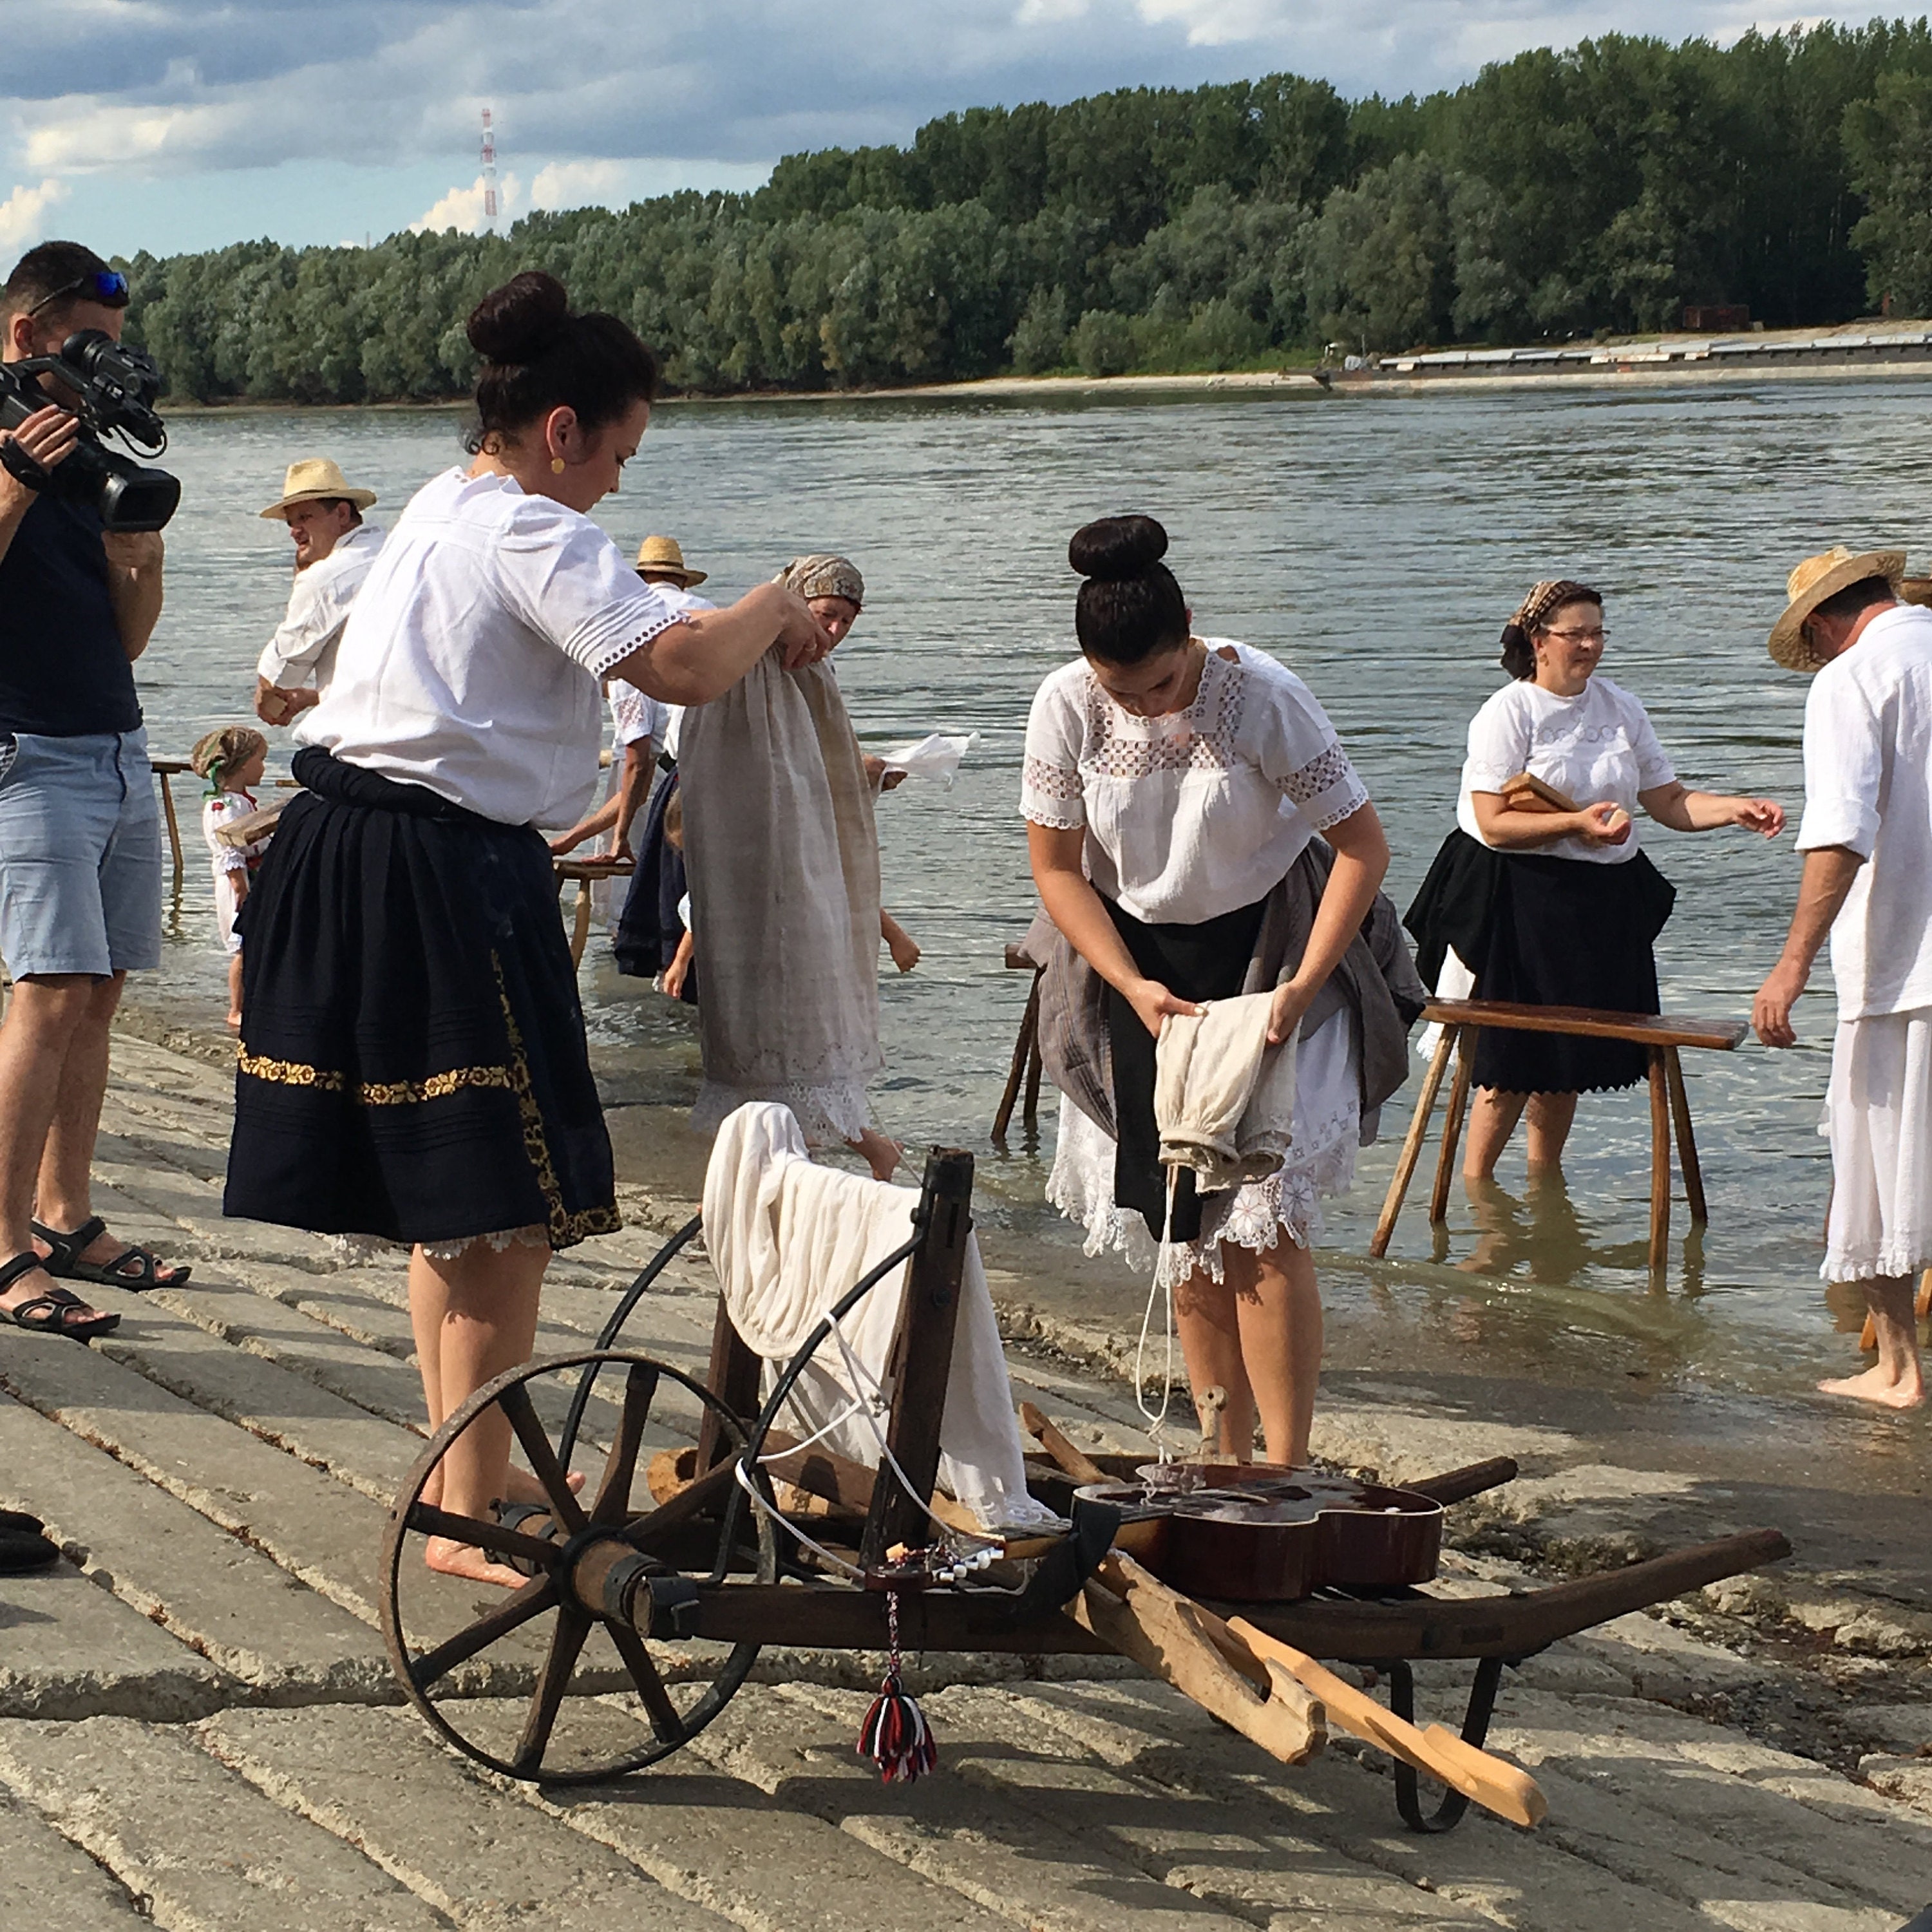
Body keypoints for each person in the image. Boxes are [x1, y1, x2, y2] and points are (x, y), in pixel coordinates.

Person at [222, 270, 831, 1584]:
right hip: (433, 865)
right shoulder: (534, 533)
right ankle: (472, 1511)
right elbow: (674, 669)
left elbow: (649, 629)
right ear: (561, 429)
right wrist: (778, 604)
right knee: (502, 1205)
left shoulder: (450, 504)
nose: (616, 481)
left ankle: (460, 1490)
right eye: (617, 451)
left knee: (458, 1207)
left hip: (348, 846)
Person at [1024, 515, 1404, 1468]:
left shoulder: (1264, 695)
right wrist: (1131, 983)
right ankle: (1220, 1453)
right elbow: (1060, 871)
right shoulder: (1067, 705)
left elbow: (1364, 849)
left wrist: (1298, 991)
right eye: (1126, 690)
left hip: (1275, 944)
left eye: (1162, 682)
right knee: (1181, 1224)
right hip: (1136, 959)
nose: (1150, 707)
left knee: (1262, 1221)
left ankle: (1283, 1465)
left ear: (1191, 626)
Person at [1406, 578, 1783, 1182]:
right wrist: (1576, 823)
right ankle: (1479, 1196)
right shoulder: (1509, 711)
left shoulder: (1620, 707)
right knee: (1509, 1067)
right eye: (1575, 634)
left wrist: (1733, 809)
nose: (1589, 645)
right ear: (1539, 642)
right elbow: (1492, 822)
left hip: (1597, 898)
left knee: (1566, 1063)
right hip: (1516, 892)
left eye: (1597, 633)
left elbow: (1670, 800)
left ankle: (1541, 1188)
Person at [0, 240, 189, 1341]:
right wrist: (18, 480)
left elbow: (126, 644)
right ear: (27, 337)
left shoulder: (83, 453)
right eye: (88, 348)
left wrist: (142, 564)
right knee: (49, 992)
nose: (106, 373)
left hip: (115, 745)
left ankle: (67, 1218)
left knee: (102, 991)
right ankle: (5, 1243)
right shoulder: (22, 452)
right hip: (26, 753)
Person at [1752, 546, 1932, 1409]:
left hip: (1904, 962)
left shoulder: (1851, 678)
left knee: (1876, 1167)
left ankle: (1899, 1370)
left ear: (1824, 623)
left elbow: (1841, 830)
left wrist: (1790, 964)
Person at [677, 552, 904, 1182]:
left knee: (790, 1028)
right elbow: (751, 780)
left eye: (845, 624)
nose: (831, 635)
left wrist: (874, 777)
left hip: (795, 878)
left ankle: (765, 1185)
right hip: (748, 878)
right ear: (795, 605)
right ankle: (787, 1176)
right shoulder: (743, 662)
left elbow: (814, 779)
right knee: (758, 1029)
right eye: (826, 616)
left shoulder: (805, 677)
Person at [551, 535, 714, 866]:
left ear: (639, 581)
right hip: (718, 773)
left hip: (670, 784)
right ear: (682, 581)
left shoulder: (630, 633)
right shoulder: (710, 615)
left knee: (638, 895)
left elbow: (639, 764)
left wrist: (618, 839)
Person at [253, 460, 383, 728]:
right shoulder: (396, 546)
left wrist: (266, 698)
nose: (294, 532)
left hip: (377, 738)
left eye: (305, 518)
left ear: (343, 514)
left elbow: (280, 678)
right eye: (290, 522)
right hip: (434, 721)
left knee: (307, 760)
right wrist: (314, 697)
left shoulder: (326, 577)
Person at [189, 725, 270, 1030]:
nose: (263, 767)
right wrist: (240, 885)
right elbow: (229, 849)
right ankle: (236, 1008)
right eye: (261, 760)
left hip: (253, 874)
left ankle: (255, 1002)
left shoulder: (240, 802)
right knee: (243, 946)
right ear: (244, 763)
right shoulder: (224, 806)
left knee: (257, 942)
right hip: (239, 880)